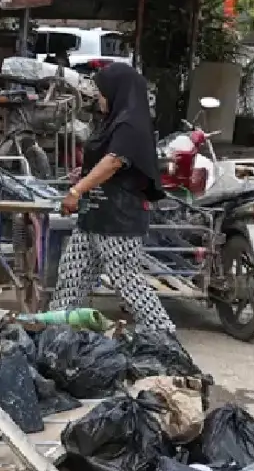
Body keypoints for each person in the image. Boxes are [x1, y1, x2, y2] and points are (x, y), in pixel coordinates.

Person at [52, 63, 177, 334]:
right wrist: (84, 174)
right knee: (72, 275)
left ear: (117, 91)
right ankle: (57, 333)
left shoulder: (131, 123)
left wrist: (76, 191)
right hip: (95, 215)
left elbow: (114, 162)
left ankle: (163, 334)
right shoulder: (114, 121)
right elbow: (103, 161)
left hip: (119, 218)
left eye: (101, 93)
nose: (99, 99)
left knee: (126, 279)